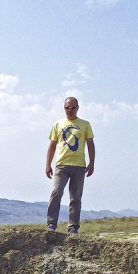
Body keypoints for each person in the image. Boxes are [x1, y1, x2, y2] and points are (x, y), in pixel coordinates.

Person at [45, 97, 95, 234]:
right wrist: (48, 165)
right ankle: (51, 224)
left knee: (75, 197)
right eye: (67, 108)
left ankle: (73, 227)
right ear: (64, 108)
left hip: (79, 165)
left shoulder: (85, 124)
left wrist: (92, 163)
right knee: (56, 192)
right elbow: (52, 145)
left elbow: (90, 144)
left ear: (77, 108)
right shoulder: (58, 124)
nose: (70, 110)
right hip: (61, 165)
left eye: (73, 107)